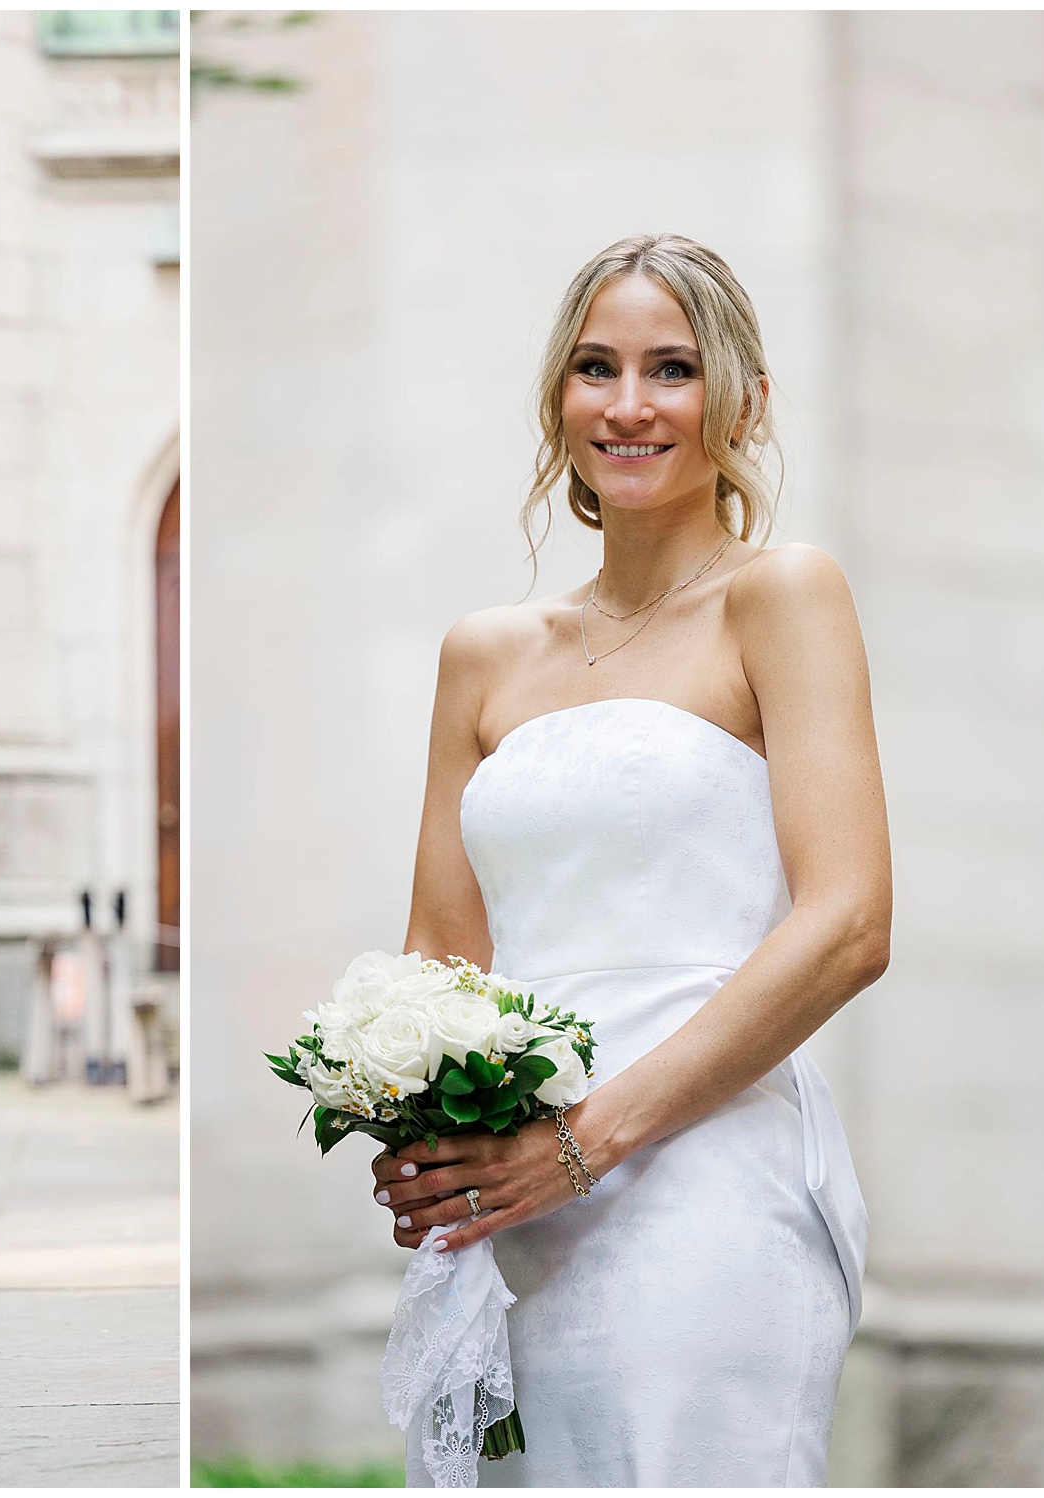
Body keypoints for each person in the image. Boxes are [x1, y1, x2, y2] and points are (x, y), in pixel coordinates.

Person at [370, 233, 890, 1484]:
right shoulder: (483, 654)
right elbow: (440, 955)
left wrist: (584, 1145)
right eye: (595, 367)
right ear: (557, 395)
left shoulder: (781, 596)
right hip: (508, 1204)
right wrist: (421, 1136)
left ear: (742, 400)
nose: (628, 404)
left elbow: (848, 923)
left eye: (672, 368)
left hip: (702, 1183)